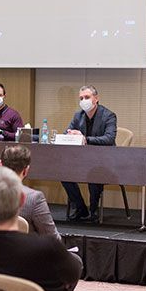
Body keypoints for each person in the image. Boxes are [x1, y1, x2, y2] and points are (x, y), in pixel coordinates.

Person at [0, 145, 61, 241]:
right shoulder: (34, 199)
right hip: (24, 250)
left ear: (0, 165)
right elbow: (53, 239)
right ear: (26, 171)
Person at [61, 85, 117, 223]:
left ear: (96, 99)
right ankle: (80, 208)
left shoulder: (109, 115)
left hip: (104, 160)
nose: (83, 101)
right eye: (81, 98)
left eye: (87, 97)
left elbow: (109, 139)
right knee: (64, 173)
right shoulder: (78, 115)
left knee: (94, 172)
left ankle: (93, 210)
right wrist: (70, 134)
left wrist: (85, 139)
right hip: (82, 160)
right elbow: (66, 133)